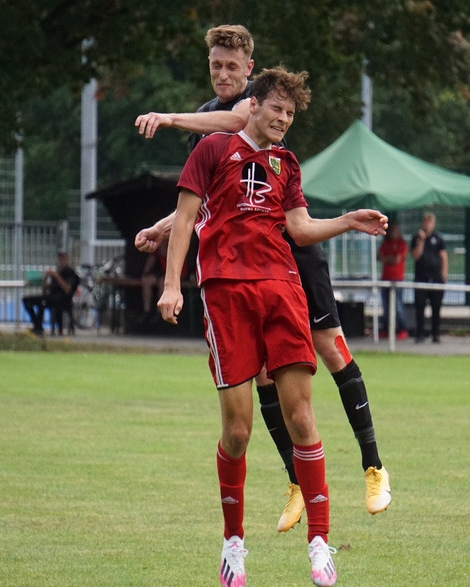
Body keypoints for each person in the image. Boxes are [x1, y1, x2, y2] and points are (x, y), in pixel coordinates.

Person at [135, 25, 392, 536]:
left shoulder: (254, 106)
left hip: (293, 247)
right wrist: (165, 228)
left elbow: (236, 124)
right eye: (216, 65)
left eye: (233, 66)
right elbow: (210, 195)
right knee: (263, 375)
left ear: (249, 72)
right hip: (247, 262)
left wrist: (167, 117)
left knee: (329, 348)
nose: (224, 74)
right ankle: (296, 480)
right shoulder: (209, 123)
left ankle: (374, 465)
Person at [22, 250, 81, 337]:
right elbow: (44, 288)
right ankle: (37, 324)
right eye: (59, 258)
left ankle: (38, 327)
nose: (61, 260)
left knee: (42, 302)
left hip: (62, 298)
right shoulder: (57, 271)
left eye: (63, 258)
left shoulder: (70, 272)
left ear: (67, 258)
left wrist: (56, 276)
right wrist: (47, 276)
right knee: (27, 300)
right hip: (51, 296)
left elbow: (67, 289)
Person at [411, 212, 447, 343]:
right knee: (420, 307)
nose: (427, 225)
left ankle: (436, 334)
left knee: (436, 307)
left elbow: (443, 257)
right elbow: (416, 256)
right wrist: (421, 240)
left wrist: (444, 275)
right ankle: (420, 334)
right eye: (425, 222)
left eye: (430, 222)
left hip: (436, 278)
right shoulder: (416, 237)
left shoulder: (438, 238)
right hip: (421, 277)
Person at [377, 220, 409, 339]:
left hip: (397, 279)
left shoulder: (401, 243)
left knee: (398, 306)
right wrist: (389, 258)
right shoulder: (386, 243)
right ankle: (387, 329)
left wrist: (386, 258)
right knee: (385, 306)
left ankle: (403, 329)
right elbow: (378, 256)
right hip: (385, 278)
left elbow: (397, 259)